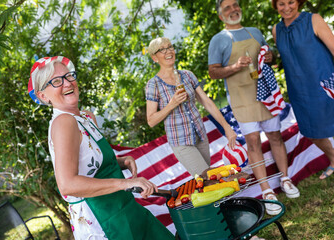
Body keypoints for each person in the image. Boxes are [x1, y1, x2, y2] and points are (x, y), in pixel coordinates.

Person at [28, 56, 175, 240]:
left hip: (123, 206)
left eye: (69, 76)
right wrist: (126, 183)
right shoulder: (63, 122)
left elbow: (90, 164)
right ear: (43, 95)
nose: (67, 84)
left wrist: (120, 162)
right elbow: (67, 184)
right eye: (56, 81)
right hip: (102, 219)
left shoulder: (86, 117)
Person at [208, 0, 300, 215]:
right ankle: (267, 191)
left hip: (265, 94)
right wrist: (234, 67)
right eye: (227, 8)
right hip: (241, 97)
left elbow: (270, 57)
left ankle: (285, 178)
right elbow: (213, 72)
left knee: (275, 136)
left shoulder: (255, 32)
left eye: (235, 5)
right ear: (221, 16)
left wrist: (271, 56)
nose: (233, 10)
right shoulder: (218, 40)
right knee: (252, 142)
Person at [146, 37, 237, 177]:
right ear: (154, 57)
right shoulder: (154, 84)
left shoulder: (187, 75)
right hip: (181, 142)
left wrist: (227, 127)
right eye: (162, 50)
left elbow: (207, 102)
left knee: (209, 180)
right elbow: (151, 121)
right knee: (208, 178)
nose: (168, 51)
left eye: (170, 47)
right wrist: (172, 104)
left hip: (200, 135)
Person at [272, 0, 334, 180]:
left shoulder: (313, 19)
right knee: (311, 131)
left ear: (298, 2)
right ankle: (333, 160)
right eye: (281, 4)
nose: (286, 7)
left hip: (325, 82)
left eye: (291, 2)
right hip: (299, 89)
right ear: (275, 6)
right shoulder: (276, 30)